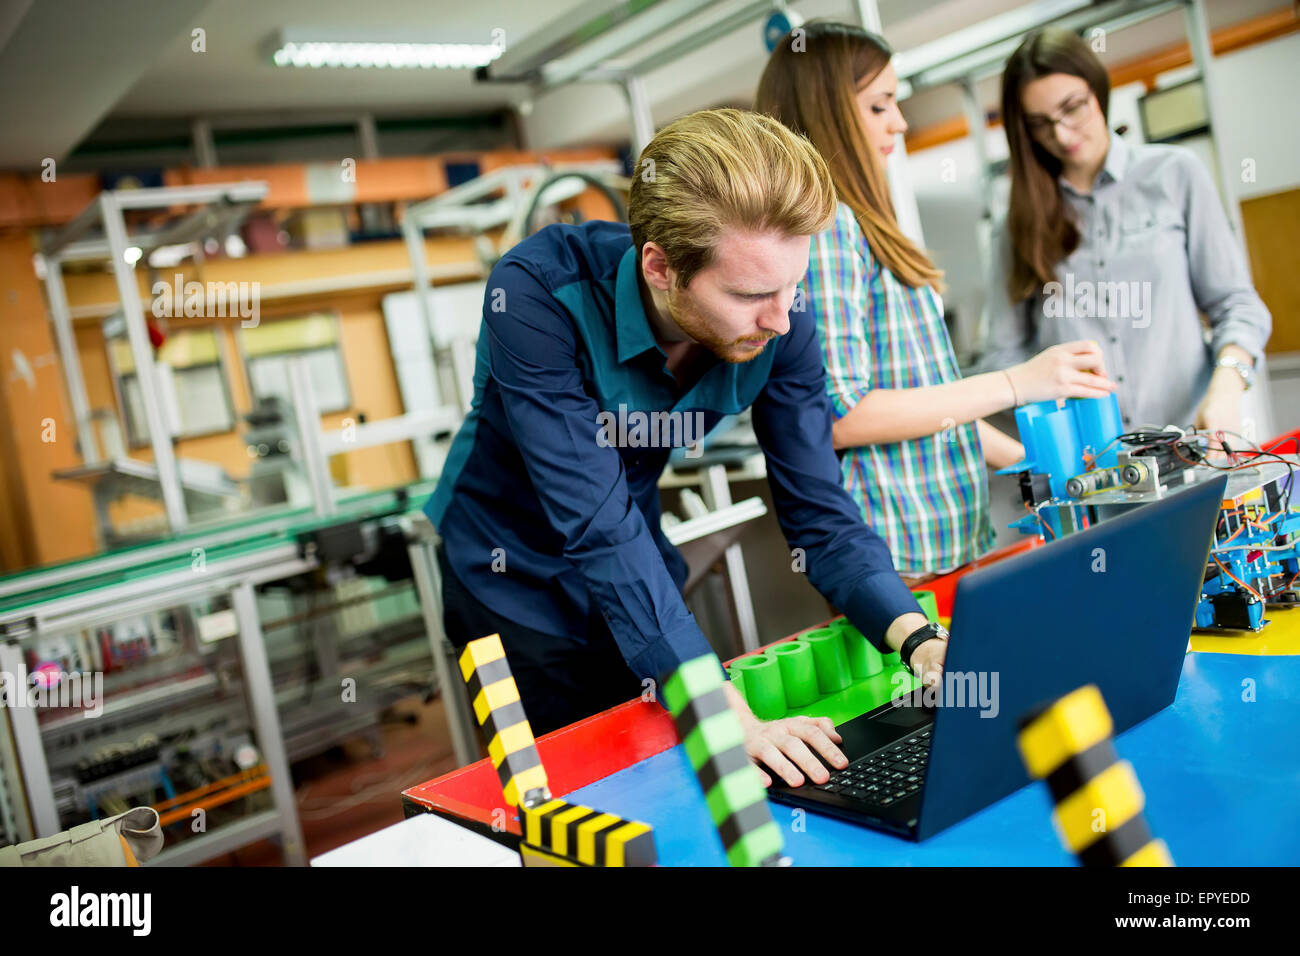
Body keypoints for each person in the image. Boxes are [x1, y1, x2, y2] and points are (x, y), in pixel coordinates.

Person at [425, 108, 940, 787]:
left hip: (634, 562)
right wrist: (723, 714)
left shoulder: (784, 320)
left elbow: (820, 513)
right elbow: (596, 523)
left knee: (675, 770)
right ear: (661, 267)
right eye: (752, 293)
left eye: (794, 286)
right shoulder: (538, 295)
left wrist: (920, 640)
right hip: (508, 581)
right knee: (572, 802)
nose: (782, 318)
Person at [755, 21, 1116, 581]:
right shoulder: (826, 228)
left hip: (939, 539)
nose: (899, 121)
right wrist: (1019, 382)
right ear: (828, 111)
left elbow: (929, 405)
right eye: (880, 106)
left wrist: (1037, 467)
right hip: (895, 556)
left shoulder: (868, 223)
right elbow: (841, 414)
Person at [982, 27, 1271, 437]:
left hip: (1197, 441)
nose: (1062, 135)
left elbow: (1237, 305)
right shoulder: (1015, 221)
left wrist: (1226, 388)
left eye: (1073, 108)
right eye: (1041, 124)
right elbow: (1002, 356)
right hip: (1091, 462)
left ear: (1097, 90)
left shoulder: (1175, 174)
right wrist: (1053, 421)